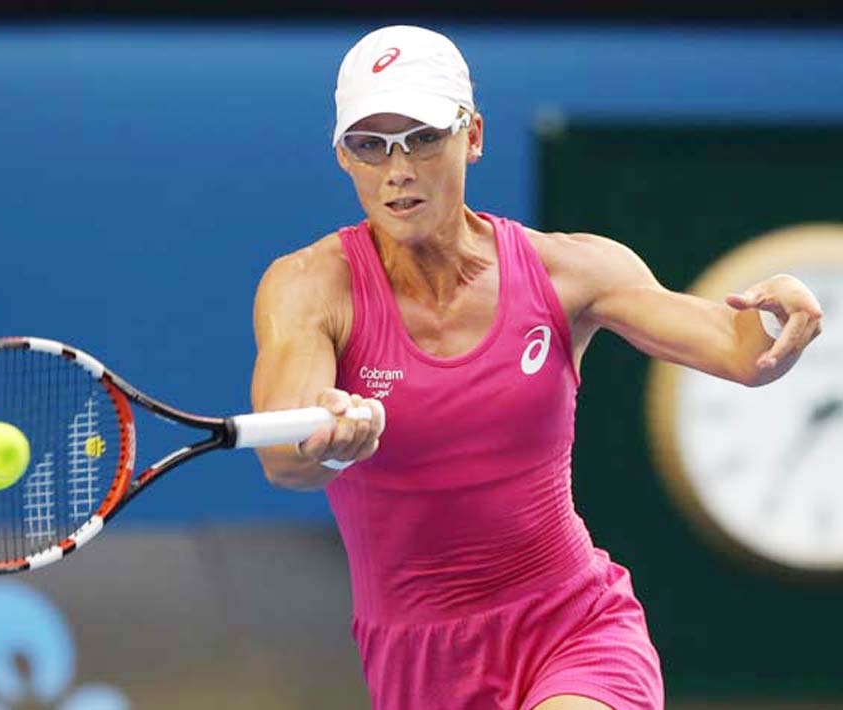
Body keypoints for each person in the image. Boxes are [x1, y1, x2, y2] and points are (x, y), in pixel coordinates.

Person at [249, 24, 822, 710]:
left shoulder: (570, 270)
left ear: (474, 135)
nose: (397, 168)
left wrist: (782, 315)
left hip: (575, 626)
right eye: (370, 145)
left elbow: (740, 350)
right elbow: (284, 458)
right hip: (418, 662)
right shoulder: (310, 287)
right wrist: (334, 445)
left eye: (423, 137)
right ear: (344, 157)